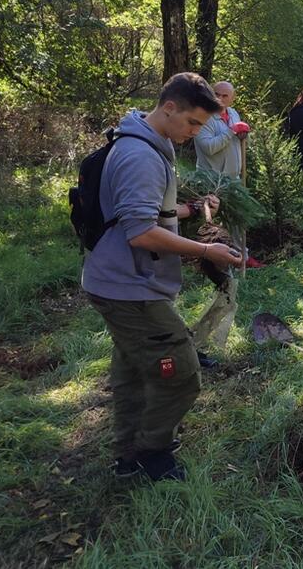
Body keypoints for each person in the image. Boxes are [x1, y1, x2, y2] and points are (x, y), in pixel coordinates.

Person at [82, 72, 243, 482]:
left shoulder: (150, 143)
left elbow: (143, 213)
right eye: (191, 124)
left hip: (122, 280)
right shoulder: (140, 155)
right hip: (128, 287)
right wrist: (207, 250)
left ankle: (128, 455)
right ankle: (151, 456)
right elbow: (140, 233)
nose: (193, 134)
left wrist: (190, 209)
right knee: (182, 373)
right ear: (169, 107)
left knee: (134, 369)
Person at [194, 81, 249, 178]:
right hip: (211, 181)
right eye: (216, 94)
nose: (219, 99)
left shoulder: (233, 114)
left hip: (233, 180)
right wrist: (231, 131)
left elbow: (235, 142)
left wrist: (243, 137)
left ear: (232, 99)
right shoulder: (204, 116)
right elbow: (208, 148)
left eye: (225, 96)